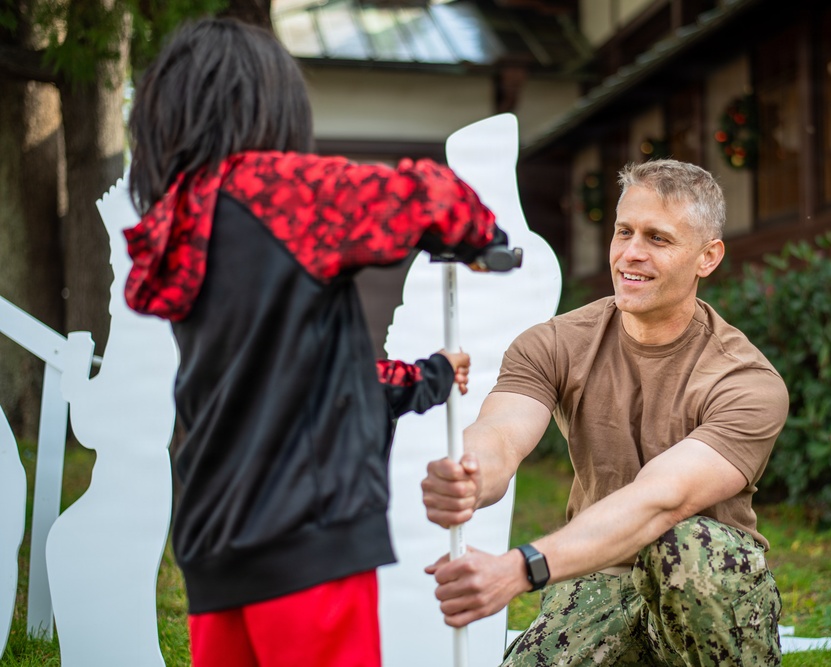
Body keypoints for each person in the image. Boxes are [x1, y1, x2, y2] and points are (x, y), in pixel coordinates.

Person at [124, 17, 506, 667]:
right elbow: (425, 194)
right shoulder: (279, 191)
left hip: (212, 541)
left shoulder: (183, 219)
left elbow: (312, 376)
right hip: (307, 535)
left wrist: (432, 374)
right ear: (270, 102)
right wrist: (482, 241)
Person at [422, 158, 789, 666]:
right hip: (597, 577)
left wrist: (520, 568)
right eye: (624, 232)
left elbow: (662, 500)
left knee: (686, 543)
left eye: (658, 239)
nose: (631, 254)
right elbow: (502, 434)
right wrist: (470, 472)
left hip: (704, 586)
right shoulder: (552, 343)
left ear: (708, 257)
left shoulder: (745, 381)